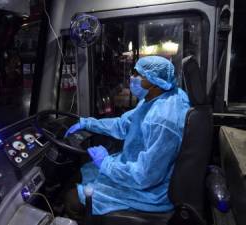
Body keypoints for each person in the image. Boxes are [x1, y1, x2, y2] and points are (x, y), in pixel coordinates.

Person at [64, 56, 190, 219]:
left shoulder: (162, 120)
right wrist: (87, 123)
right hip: (142, 173)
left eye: (138, 74)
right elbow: (123, 125)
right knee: (85, 172)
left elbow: (145, 176)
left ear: (153, 80)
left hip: (149, 194)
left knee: (72, 199)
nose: (132, 78)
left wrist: (105, 163)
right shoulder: (158, 97)